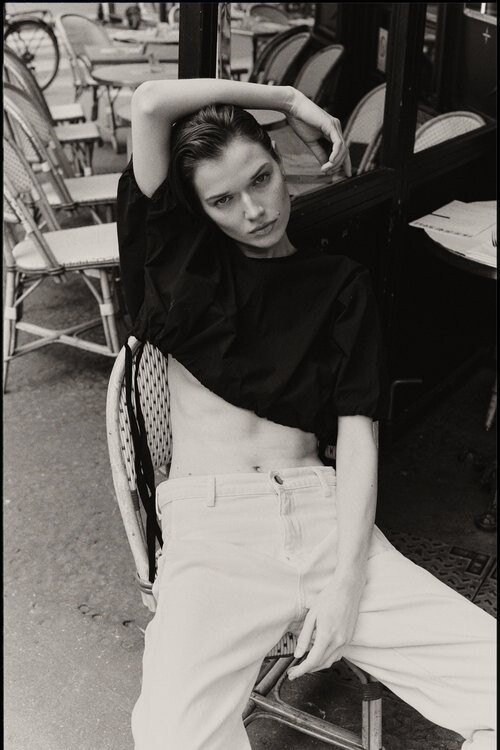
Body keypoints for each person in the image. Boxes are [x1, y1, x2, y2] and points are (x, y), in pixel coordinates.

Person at [116, 78, 496, 750]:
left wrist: (348, 581)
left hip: (327, 521)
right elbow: (148, 103)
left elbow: (358, 436)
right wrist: (288, 100)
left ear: (281, 165)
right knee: (172, 738)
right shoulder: (182, 265)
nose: (253, 210)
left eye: (261, 179)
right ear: (200, 208)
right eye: (223, 200)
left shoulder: (341, 286)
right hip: (215, 532)